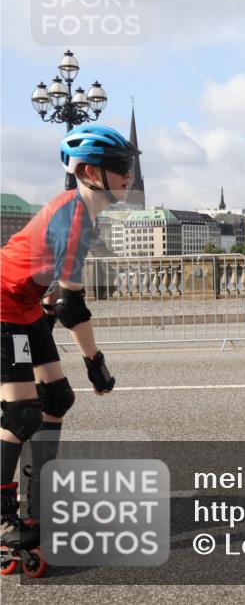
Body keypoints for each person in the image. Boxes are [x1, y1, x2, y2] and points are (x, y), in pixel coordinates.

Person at [0, 124, 135, 576]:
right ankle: (4, 520)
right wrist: (95, 364)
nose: (128, 174)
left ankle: (37, 501)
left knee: (56, 399)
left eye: (129, 165)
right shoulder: (74, 217)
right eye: (119, 166)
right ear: (89, 172)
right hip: (3, 305)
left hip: (22, 306)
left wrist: (90, 362)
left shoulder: (81, 211)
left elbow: (58, 297)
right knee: (20, 415)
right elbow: (69, 302)